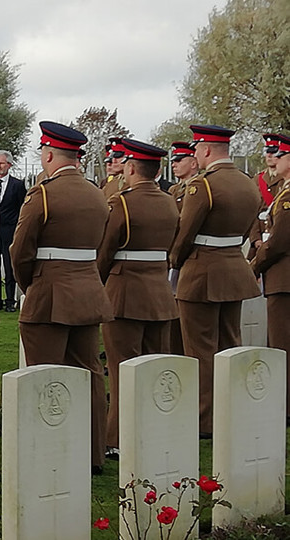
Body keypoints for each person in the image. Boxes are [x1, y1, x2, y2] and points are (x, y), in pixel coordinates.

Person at [10, 121, 112, 473]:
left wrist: (30, 286)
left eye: (42, 152)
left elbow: (20, 250)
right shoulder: (97, 193)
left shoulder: (44, 194)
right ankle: (94, 453)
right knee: (90, 373)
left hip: (50, 292)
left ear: (49, 154)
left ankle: (47, 452)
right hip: (88, 290)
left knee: (43, 376)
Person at [170, 124, 260, 437]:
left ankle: (204, 419)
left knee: (200, 349)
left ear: (206, 149)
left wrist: (174, 261)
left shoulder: (203, 186)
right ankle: (232, 408)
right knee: (230, 344)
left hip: (201, 272)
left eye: (196, 149)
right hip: (234, 268)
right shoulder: (247, 183)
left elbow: (184, 234)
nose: (194, 154)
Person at [96, 139, 179, 460]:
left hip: (125, 293)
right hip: (159, 293)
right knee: (155, 369)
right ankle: (155, 430)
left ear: (130, 168)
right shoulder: (170, 201)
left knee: (121, 369)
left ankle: (116, 436)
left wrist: (98, 280)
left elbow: (105, 251)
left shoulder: (122, 203)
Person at [250, 133, 290, 423]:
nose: (272, 158)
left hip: (283, 279)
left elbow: (279, 242)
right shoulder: (282, 192)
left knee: (282, 345)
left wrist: (254, 265)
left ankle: (286, 407)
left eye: (279, 154)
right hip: (280, 277)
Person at [166, 141, 201, 354]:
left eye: (180, 160)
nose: (175, 165)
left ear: (194, 163)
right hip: (172, 255)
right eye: (173, 161)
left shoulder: (200, 187)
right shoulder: (174, 189)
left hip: (188, 256)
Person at [0, 150, 27, 312]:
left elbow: (22, 208)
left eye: (2, 163)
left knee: (9, 267)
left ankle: (10, 300)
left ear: (9, 165)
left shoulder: (18, 185)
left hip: (9, 231)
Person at [247, 133, 281, 260]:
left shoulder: (285, 179)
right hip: (258, 239)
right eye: (267, 151)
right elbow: (251, 212)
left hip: (279, 240)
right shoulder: (257, 180)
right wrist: (255, 239)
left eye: (274, 151)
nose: (269, 155)